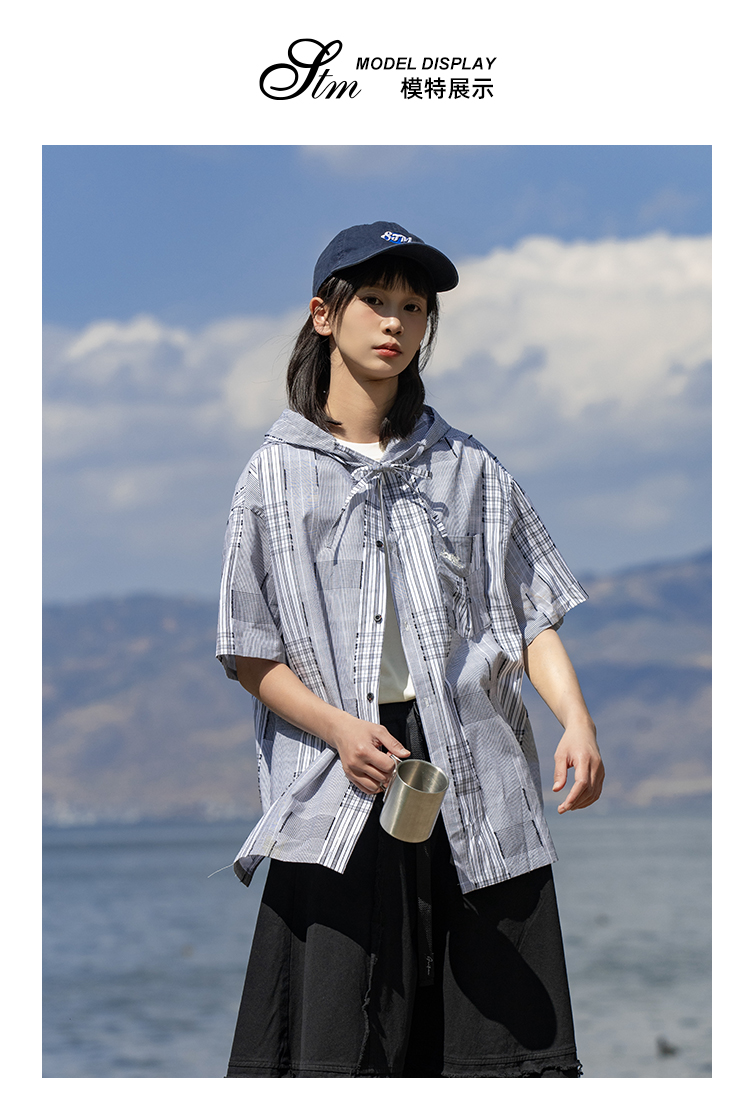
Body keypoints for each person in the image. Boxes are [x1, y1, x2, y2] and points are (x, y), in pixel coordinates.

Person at [216, 221, 604, 1078]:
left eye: (414, 307)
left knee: (498, 1051)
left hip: (470, 767)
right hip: (342, 771)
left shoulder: (468, 467)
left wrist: (575, 720)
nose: (395, 321)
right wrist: (339, 730)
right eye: (375, 301)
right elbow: (249, 652)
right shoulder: (273, 475)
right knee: (338, 1047)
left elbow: (528, 615)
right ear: (324, 315)